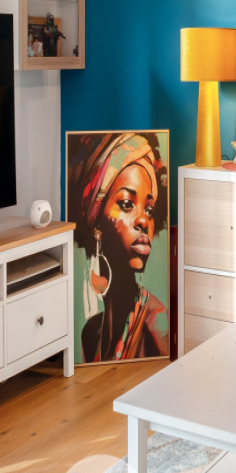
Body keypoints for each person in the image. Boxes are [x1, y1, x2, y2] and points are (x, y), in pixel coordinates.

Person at [73, 131, 170, 362]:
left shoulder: (157, 323)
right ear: (97, 223)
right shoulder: (90, 334)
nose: (143, 220)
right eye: (127, 204)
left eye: (149, 209)